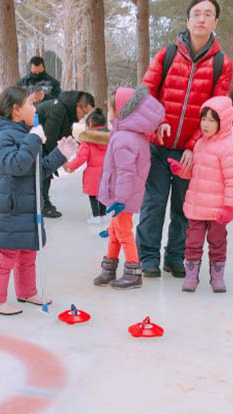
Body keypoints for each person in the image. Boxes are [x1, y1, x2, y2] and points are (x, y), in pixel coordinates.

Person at [138, 0, 233, 279]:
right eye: (196, 14)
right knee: (153, 202)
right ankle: (148, 257)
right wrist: (158, 120)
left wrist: (193, 145)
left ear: (215, 22)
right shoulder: (167, 54)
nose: (201, 19)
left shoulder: (221, 64)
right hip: (157, 144)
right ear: (188, 19)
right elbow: (146, 92)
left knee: (184, 206)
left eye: (208, 14)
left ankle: (176, 257)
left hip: (192, 150)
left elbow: (218, 108)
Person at [0, 87, 77, 315]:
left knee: (28, 252)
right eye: (30, 104)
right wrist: (34, 139)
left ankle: (26, 291)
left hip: (28, 203)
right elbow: (15, 165)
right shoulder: (4, 136)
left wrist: (59, 154)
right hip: (11, 204)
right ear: (16, 110)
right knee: (6, 255)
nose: (35, 109)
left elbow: (37, 170)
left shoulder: (26, 134)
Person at [92, 87, 165, 291]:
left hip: (121, 197)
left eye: (110, 109)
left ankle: (133, 270)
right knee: (115, 231)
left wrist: (120, 199)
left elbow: (126, 173)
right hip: (121, 196)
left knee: (123, 232)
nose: (108, 114)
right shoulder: (129, 135)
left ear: (122, 111)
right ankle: (109, 267)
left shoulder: (125, 139)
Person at [181, 96, 233, 294]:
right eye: (203, 119)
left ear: (222, 122)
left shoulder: (230, 147)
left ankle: (217, 277)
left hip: (217, 210)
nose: (205, 124)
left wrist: (228, 207)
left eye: (211, 120)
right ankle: (191, 275)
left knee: (217, 243)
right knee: (193, 242)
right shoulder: (200, 144)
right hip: (197, 206)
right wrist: (181, 170)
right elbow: (196, 173)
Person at [35, 90, 95, 218]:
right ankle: (42, 204)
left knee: (47, 167)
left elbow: (65, 134)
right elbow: (50, 139)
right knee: (44, 168)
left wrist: (82, 146)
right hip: (36, 142)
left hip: (42, 142)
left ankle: (43, 202)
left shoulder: (66, 111)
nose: (83, 117)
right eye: (84, 113)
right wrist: (62, 160)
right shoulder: (58, 109)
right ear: (78, 106)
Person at [64, 108, 110, 223]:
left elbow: (82, 157)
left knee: (93, 196)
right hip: (107, 172)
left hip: (93, 174)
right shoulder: (110, 138)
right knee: (102, 194)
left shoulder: (88, 139)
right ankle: (103, 215)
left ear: (90, 124)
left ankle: (95, 216)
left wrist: (71, 166)